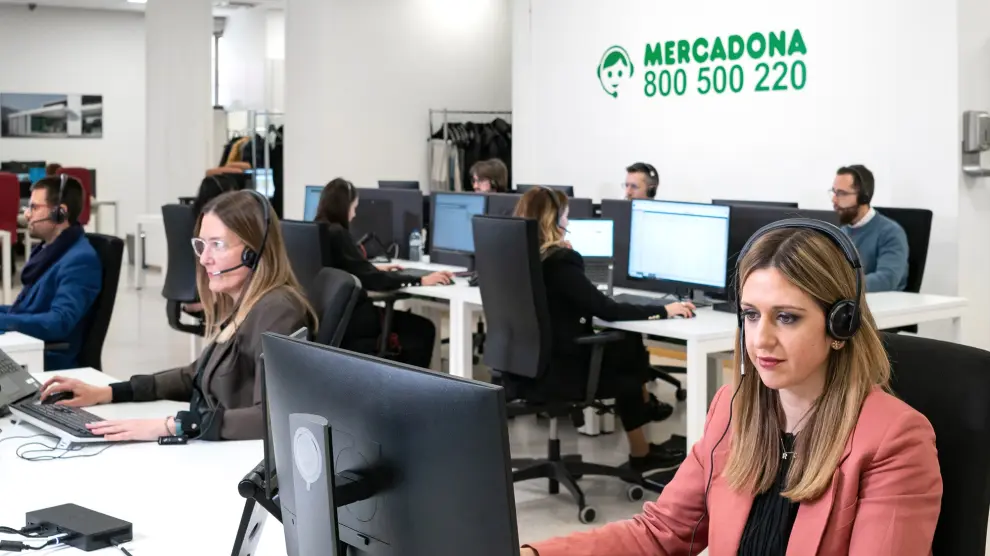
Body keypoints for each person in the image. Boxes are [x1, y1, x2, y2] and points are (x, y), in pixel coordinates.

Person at [521, 222, 942, 556]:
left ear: (840, 326)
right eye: (751, 315)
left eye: (787, 317)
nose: (760, 340)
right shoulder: (733, 409)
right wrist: (536, 553)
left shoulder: (894, 439)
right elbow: (659, 533)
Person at [39, 190, 318, 441]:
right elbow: (195, 375)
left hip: (235, 461)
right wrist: (109, 392)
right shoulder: (245, 304)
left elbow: (269, 417)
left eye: (218, 245)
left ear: (253, 253)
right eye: (202, 245)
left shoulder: (277, 312)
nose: (204, 259)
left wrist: (173, 426)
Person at [511, 187, 695, 472]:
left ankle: (645, 420)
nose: (568, 222)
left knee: (624, 343)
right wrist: (664, 310)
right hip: (561, 373)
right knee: (626, 350)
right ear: (553, 220)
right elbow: (607, 310)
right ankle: (642, 439)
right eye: (566, 216)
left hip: (525, 367)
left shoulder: (516, 258)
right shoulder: (560, 263)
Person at [315, 178, 452, 369]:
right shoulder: (338, 233)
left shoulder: (318, 230)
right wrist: (420, 279)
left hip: (332, 320)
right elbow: (375, 281)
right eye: (354, 208)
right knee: (424, 329)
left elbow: (345, 269)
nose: (354, 214)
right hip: (357, 322)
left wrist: (371, 268)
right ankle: (410, 385)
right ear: (343, 207)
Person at [0, 176, 101, 370]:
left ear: (60, 213)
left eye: (34, 207)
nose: (27, 215)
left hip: (48, 360)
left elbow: (58, 322)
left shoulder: (79, 260)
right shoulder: (50, 252)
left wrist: (3, 321)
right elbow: (26, 311)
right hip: (31, 349)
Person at [831, 164, 909, 292]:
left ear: (863, 197)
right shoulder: (838, 231)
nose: (834, 200)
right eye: (834, 192)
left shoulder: (891, 232)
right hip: (846, 300)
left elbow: (887, 279)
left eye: (841, 193)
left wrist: (838, 287)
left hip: (880, 302)